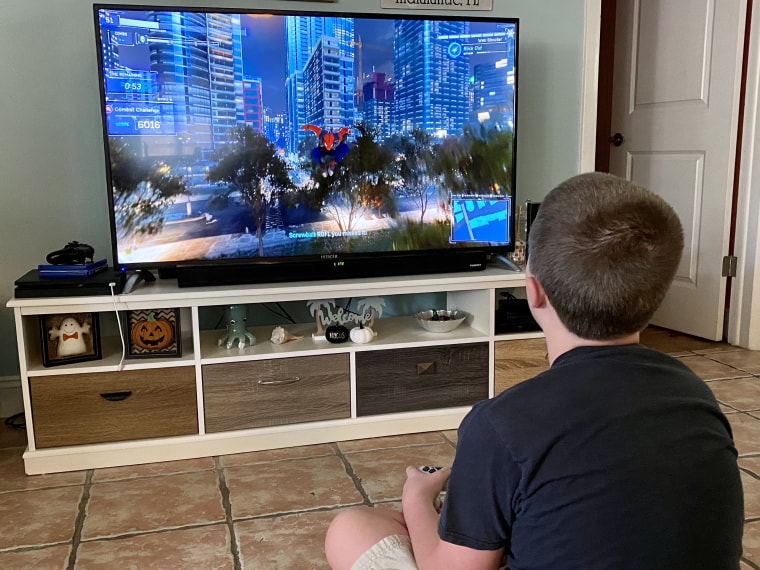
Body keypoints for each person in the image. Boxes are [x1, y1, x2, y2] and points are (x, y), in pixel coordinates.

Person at [324, 172, 745, 569]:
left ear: (533, 292)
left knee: (353, 528)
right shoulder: (697, 399)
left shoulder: (500, 425)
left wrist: (417, 497)